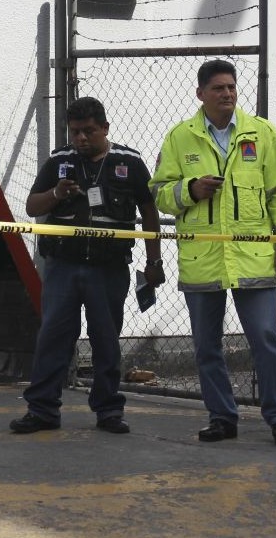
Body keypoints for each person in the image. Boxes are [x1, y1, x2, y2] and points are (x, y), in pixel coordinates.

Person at [149, 59, 276, 447]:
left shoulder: (260, 133)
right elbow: (159, 194)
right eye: (218, 88)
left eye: (231, 87)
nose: (227, 94)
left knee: (267, 338)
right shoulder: (179, 138)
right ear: (201, 94)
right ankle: (221, 417)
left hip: (252, 259)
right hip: (203, 261)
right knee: (206, 346)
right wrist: (190, 190)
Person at [9, 96, 164, 434]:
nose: (81, 138)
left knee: (106, 339)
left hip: (108, 268)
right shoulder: (59, 161)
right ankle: (43, 410)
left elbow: (150, 212)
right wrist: (57, 195)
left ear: (105, 128)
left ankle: (108, 411)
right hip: (63, 265)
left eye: (89, 131)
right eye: (75, 131)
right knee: (54, 337)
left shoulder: (130, 162)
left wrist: (154, 260)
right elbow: (33, 206)